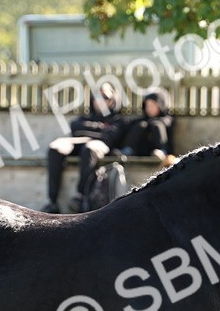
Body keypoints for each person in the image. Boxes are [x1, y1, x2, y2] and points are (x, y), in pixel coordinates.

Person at [43, 82, 127, 213]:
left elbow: (111, 136)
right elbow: (75, 127)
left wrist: (89, 128)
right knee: (55, 147)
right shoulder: (85, 116)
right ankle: (52, 202)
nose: (100, 101)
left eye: (104, 97)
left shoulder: (118, 119)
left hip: (98, 144)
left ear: (112, 100)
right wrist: (100, 127)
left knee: (89, 148)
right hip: (78, 141)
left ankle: (80, 197)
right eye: (97, 97)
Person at [117, 89, 175, 163]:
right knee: (141, 125)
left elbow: (167, 122)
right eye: (147, 106)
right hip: (142, 149)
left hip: (158, 148)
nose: (149, 108)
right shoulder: (143, 120)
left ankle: (161, 151)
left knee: (156, 125)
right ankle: (127, 150)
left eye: (152, 105)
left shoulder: (166, 118)